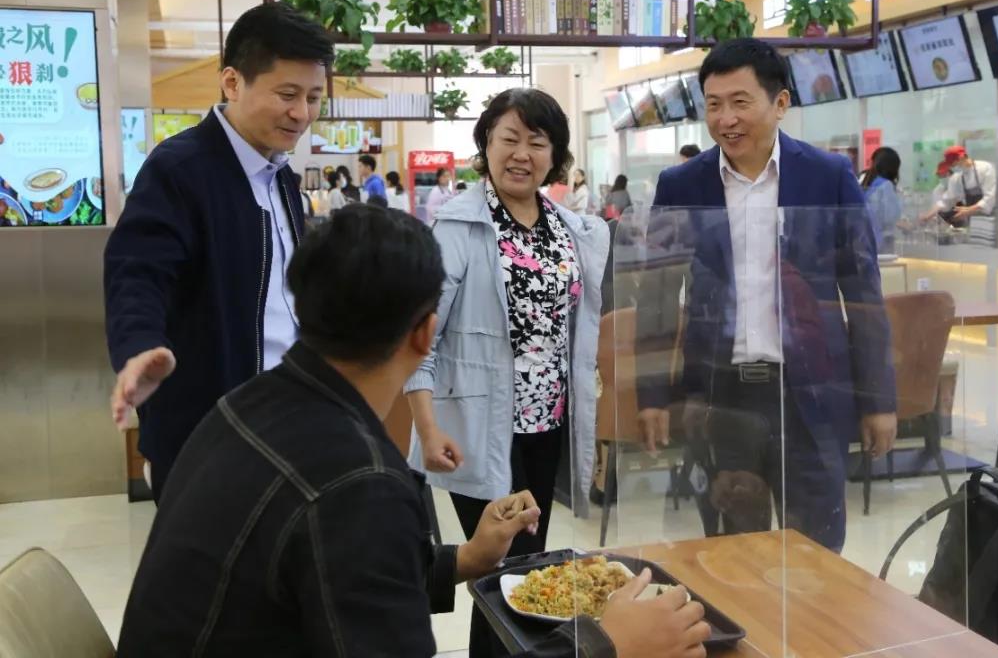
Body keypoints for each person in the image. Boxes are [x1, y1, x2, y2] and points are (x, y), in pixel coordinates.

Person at [115, 205, 708, 658]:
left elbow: (335, 572)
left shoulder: (243, 405)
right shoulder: (359, 482)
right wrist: (607, 646)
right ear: (426, 333)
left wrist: (465, 559)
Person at [634, 38, 896, 551]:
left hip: (810, 395)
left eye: (740, 102)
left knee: (817, 555)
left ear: (780, 103)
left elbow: (863, 292)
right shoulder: (681, 185)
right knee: (732, 555)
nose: (725, 119)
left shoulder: (827, 177)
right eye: (713, 104)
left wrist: (879, 401)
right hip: (722, 397)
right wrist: (653, 396)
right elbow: (657, 299)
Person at [405, 88, 610, 658]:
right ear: (486, 146)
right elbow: (420, 341)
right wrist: (427, 428)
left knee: (521, 570)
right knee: (504, 567)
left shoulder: (570, 228)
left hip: (547, 423)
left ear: (555, 155)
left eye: (536, 142)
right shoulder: (459, 226)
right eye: (509, 139)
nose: (521, 154)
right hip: (480, 426)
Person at [104, 2, 332, 503]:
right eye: (287, 94)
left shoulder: (282, 180)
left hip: (286, 425)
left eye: (314, 97)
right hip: (208, 435)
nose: (302, 113)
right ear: (232, 82)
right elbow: (138, 273)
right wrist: (139, 345)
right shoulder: (180, 170)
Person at [920, 145, 997, 226]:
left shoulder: (985, 168)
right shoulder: (958, 177)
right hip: (972, 222)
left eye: (954, 164)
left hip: (990, 220)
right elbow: (946, 201)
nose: (953, 167)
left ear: (962, 157)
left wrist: (969, 210)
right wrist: (927, 216)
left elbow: (990, 198)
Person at [860, 147, 903, 254]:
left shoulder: (867, 183)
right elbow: (890, 216)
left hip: (866, 238)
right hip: (882, 240)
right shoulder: (886, 185)